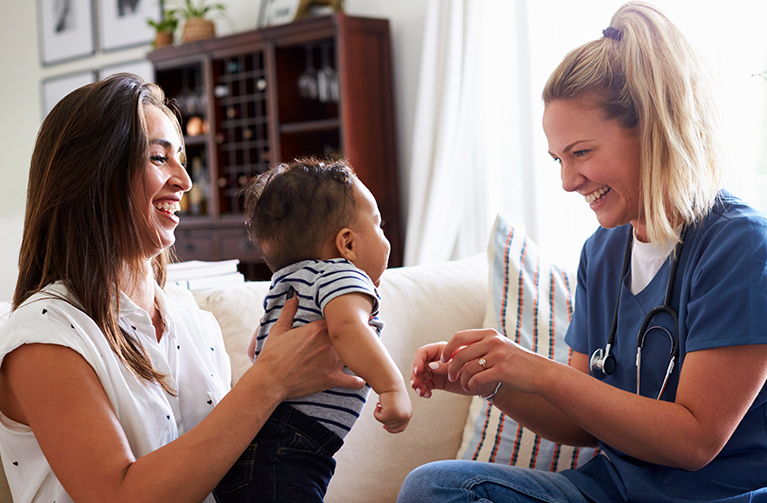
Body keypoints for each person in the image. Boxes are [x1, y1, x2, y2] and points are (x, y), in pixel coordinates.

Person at [399, 2, 767, 502]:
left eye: (581, 152)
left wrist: (538, 369)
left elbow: (696, 439)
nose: (569, 181)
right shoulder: (602, 252)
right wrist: (492, 381)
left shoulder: (739, 245)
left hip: (716, 496)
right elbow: (580, 424)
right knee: (438, 488)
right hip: (611, 490)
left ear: (652, 130)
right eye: (557, 159)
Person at [0, 73, 364, 503]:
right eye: (159, 158)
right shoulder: (43, 336)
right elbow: (117, 496)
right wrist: (268, 381)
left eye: (182, 160)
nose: (184, 182)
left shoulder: (191, 319)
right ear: (92, 174)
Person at [214, 159, 412, 503]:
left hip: (255, 443)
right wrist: (393, 388)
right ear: (347, 244)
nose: (385, 236)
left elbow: (255, 349)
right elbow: (348, 327)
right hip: (291, 448)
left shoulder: (289, 283)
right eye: (378, 225)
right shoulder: (342, 274)